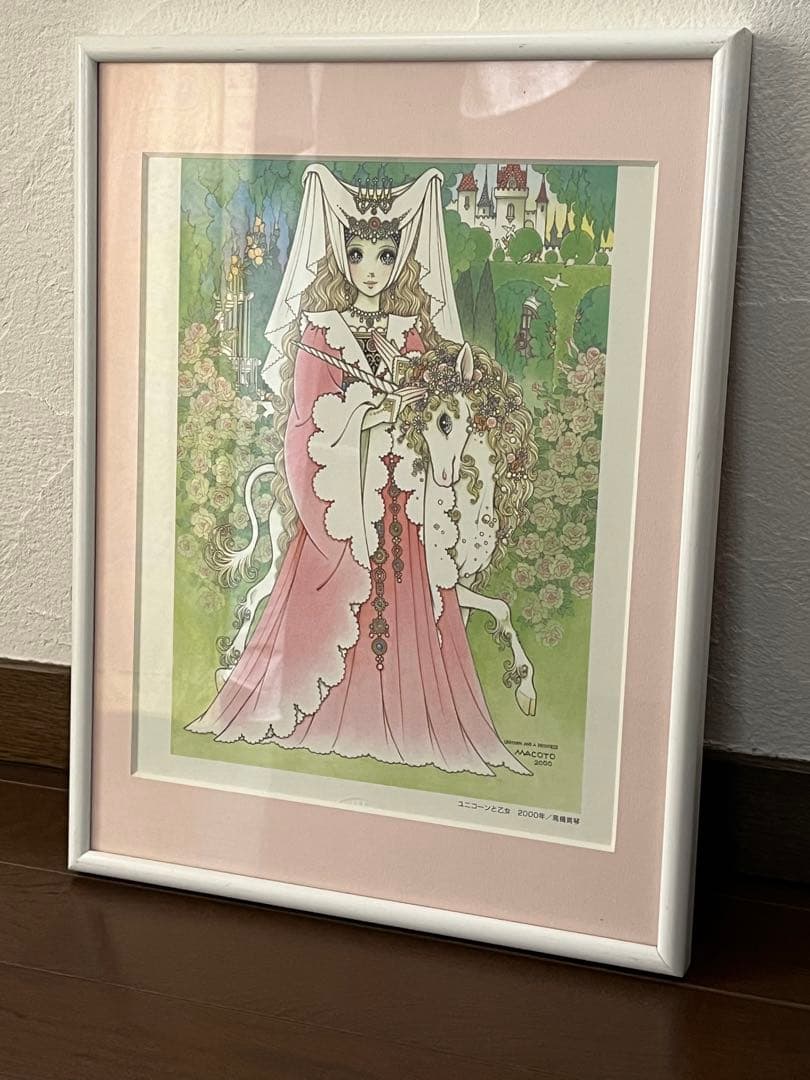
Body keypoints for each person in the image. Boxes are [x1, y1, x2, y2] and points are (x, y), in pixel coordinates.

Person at [186, 164, 529, 777]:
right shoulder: (321, 333)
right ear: (341, 258)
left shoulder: (413, 334)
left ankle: (412, 712)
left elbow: (432, 400)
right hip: (348, 493)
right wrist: (369, 412)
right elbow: (308, 417)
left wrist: (421, 399)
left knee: (418, 595)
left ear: (400, 261)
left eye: (385, 255)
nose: (372, 269)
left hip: (404, 497)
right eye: (359, 254)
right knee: (325, 583)